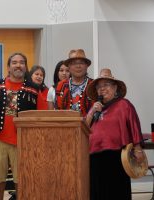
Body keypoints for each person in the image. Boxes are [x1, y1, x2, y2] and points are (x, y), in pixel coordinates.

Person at [0, 52, 41, 200]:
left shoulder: (34, 89)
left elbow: (41, 115)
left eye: (22, 62)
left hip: (23, 141)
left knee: (21, 177)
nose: (18, 65)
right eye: (14, 62)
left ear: (25, 67)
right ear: (8, 67)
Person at [86, 68, 144, 200]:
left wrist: (138, 148)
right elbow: (84, 127)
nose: (102, 89)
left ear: (115, 87)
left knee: (116, 192)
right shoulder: (95, 107)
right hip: (94, 156)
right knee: (97, 191)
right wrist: (92, 111)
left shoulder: (124, 104)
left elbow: (134, 125)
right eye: (99, 86)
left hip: (117, 156)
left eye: (106, 85)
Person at [56, 49, 94, 116]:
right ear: (69, 67)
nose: (78, 66)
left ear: (86, 66)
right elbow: (58, 111)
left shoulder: (94, 85)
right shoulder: (61, 85)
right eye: (74, 63)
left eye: (81, 63)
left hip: (90, 126)